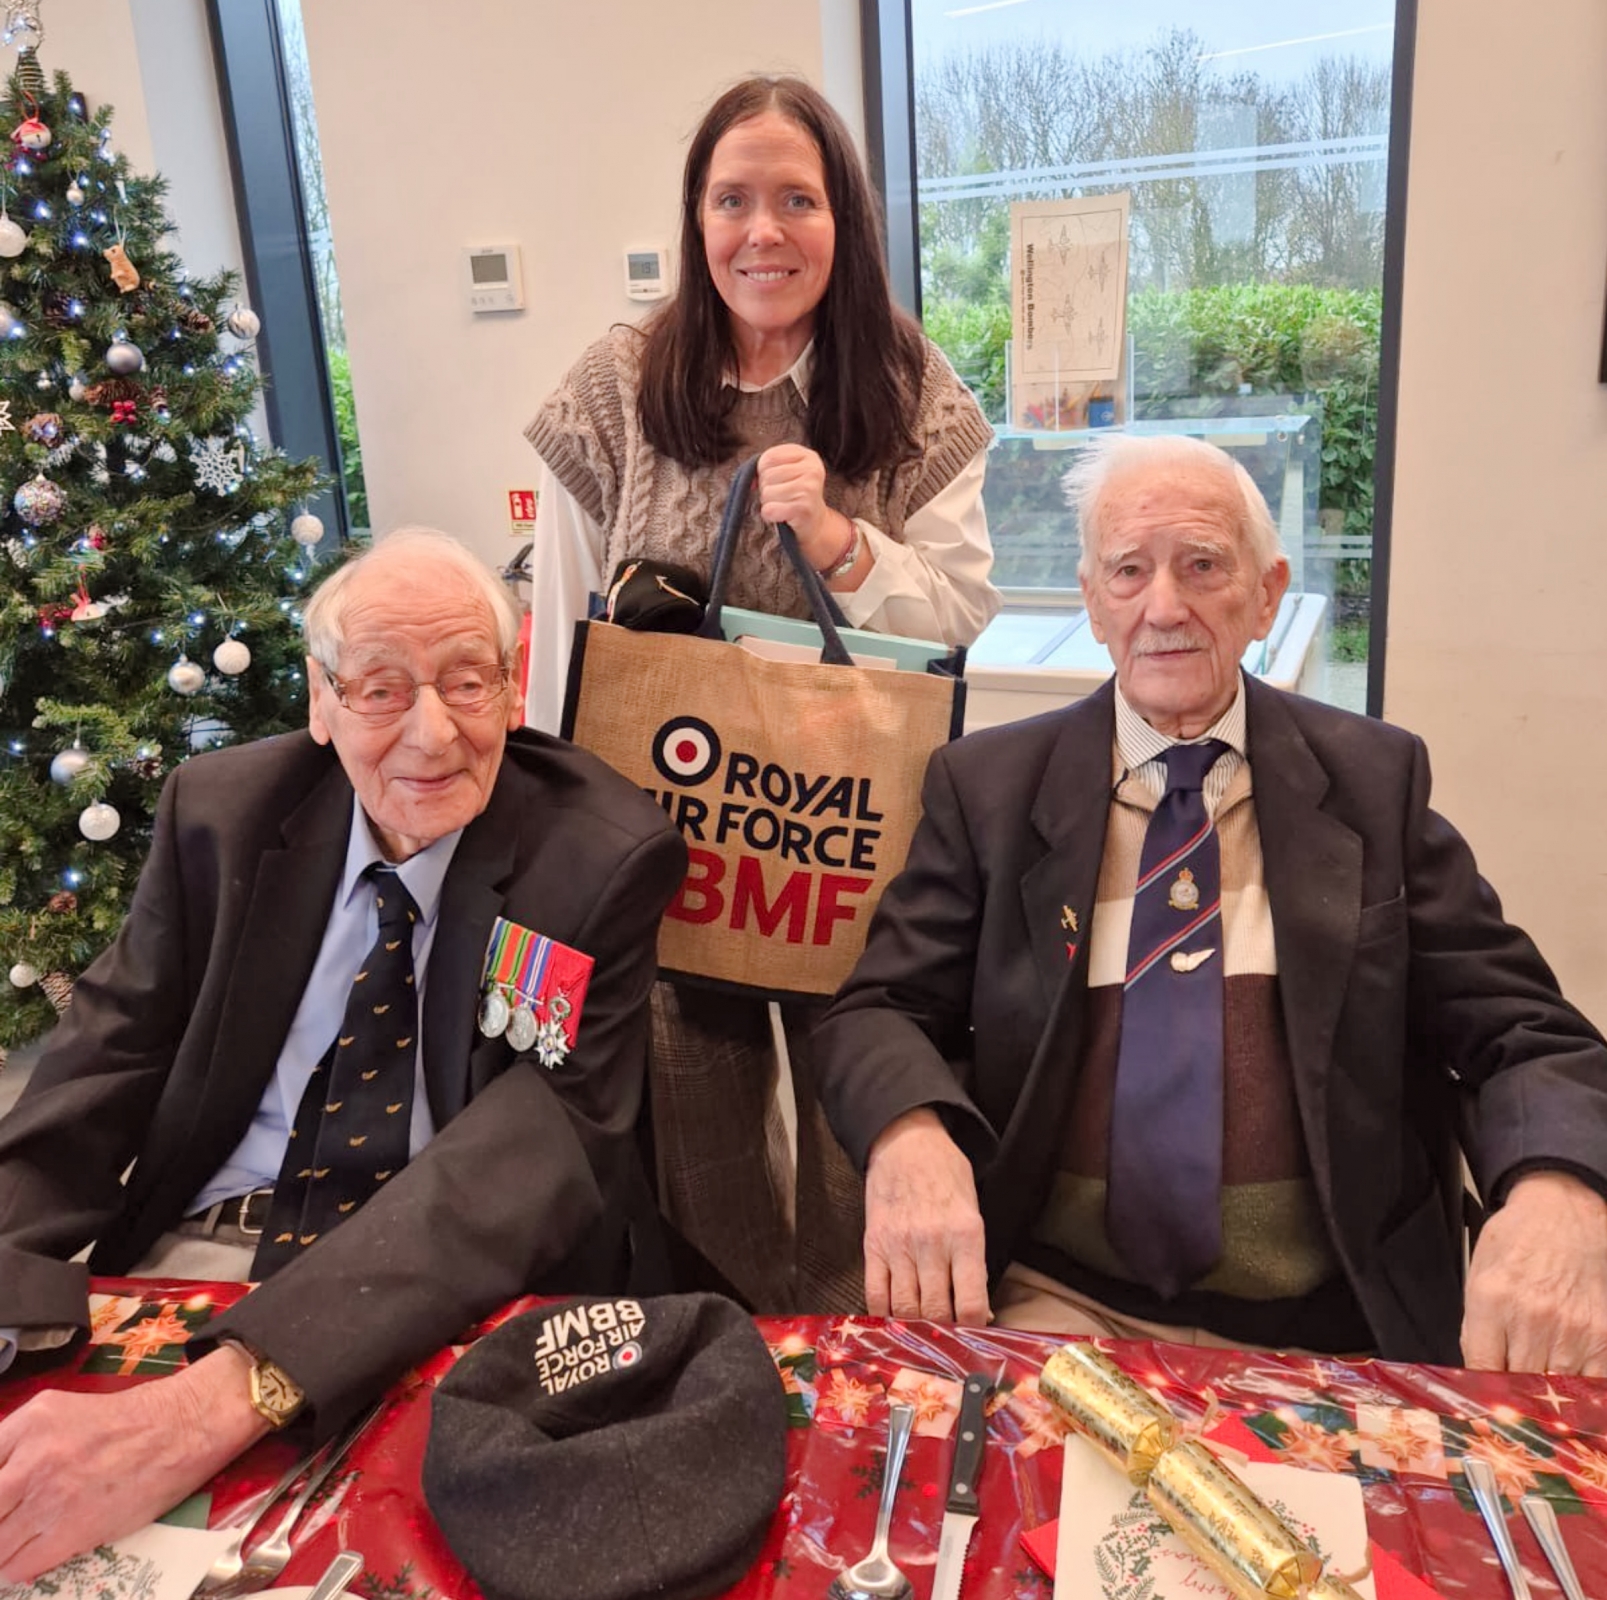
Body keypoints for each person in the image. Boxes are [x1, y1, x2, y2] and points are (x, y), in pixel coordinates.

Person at [812, 432, 1607, 1375]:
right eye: (1128, 571)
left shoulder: (1370, 780)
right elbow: (876, 1011)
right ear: (1090, 599)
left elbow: (1528, 1034)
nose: (1164, 607)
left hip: (1334, 1324)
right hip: (1056, 1304)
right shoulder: (988, 787)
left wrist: (1560, 1188)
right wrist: (911, 1133)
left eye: (1201, 566)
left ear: (1265, 593)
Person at [0, 530, 688, 1580]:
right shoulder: (222, 814)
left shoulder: (595, 855)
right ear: (319, 704)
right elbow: (98, 1064)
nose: (430, 733)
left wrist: (223, 1396)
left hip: (447, 1284)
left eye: (468, 681)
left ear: (511, 692)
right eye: (377, 688)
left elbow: (537, 1149)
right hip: (204, 1255)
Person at [521, 75, 999, 1310]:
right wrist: (541, 822)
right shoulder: (618, 380)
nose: (761, 232)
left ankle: (857, 1358)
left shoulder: (908, 384)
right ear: (695, 216)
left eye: (796, 199)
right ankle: (739, 1357)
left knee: (862, 1131)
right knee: (695, 1136)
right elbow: (563, 628)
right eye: (731, 200)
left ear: (844, 217)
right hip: (667, 839)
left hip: (849, 842)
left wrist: (841, 543)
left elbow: (958, 609)